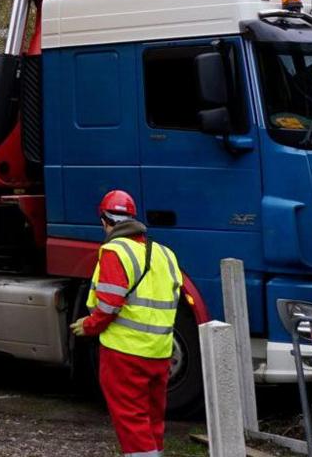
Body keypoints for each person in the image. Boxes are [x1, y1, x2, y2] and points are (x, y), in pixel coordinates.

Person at [71, 189, 183, 457]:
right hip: (160, 351)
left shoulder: (113, 250)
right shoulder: (164, 252)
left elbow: (109, 303)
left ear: (104, 221)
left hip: (125, 353)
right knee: (153, 419)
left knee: (131, 419)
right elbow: (174, 296)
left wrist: (89, 325)